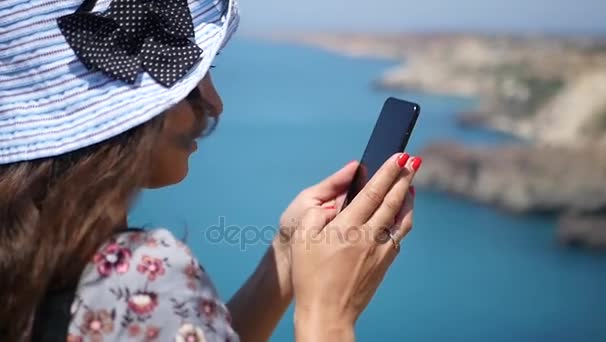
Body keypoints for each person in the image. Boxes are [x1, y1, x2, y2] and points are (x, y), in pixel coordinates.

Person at [0, 0, 422, 340]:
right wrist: (328, 314)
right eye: (194, 79)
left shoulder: (28, 257)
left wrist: (285, 255)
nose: (215, 104)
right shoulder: (141, 273)